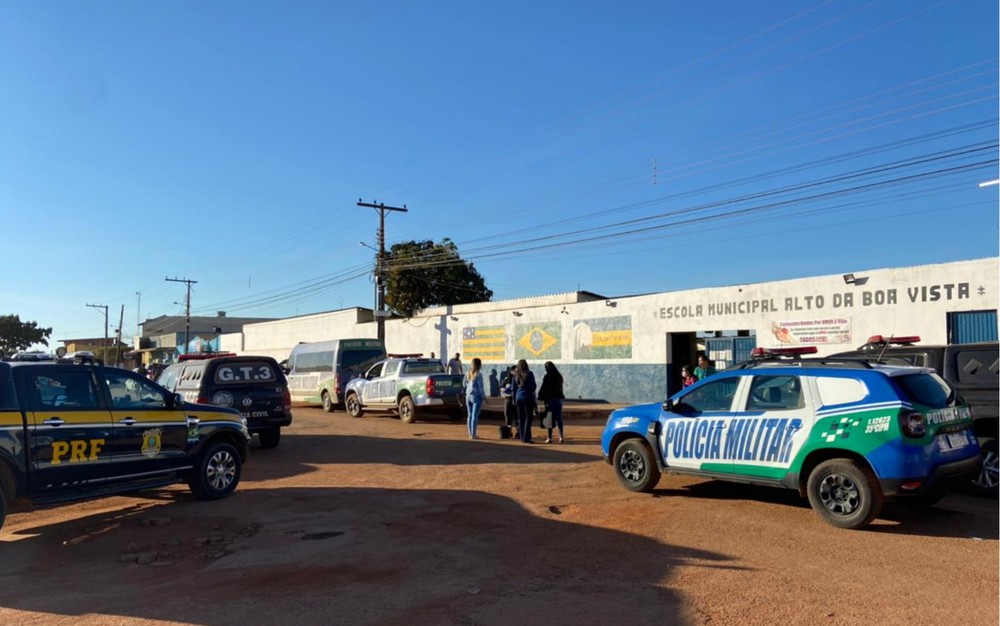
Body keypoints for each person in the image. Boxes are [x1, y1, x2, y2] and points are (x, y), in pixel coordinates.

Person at [537, 361, 565, 444]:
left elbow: (544, 387)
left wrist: (540, 396)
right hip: (559, 399)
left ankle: (549, 437)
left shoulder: (547, 377)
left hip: (550, 400)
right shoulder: (559, 376)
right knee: (559, 418)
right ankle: (561, 436)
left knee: (549, 418)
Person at [511, 359, 536, 444]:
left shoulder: (515, 375)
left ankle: (522, 437)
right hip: (528, 397)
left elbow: (513, 388)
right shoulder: (529, 374)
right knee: (528, 418)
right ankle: (526, 437)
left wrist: (514, 399)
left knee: (520, 418)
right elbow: (533, 386)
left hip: (518, 397)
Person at [464, 357, 485, 440]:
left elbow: (464, 384)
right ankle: (473, 434)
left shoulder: (467, 373)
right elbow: (481, 388)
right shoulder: (479, 375)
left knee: (469, 415)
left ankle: (470, 433)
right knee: (474, 416)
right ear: (479, 365)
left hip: (468, 395)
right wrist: (484, 397)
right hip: (476, 396)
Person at [501, 366, 517, 435]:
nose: (514, 372)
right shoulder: (506, 379)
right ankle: (508, 431)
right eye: (513, 371)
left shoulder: (519, 379)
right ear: (510, 371)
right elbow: (501, 387)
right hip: (508, 399)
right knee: (507, 415)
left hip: (516, 400)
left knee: (517, 416)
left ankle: (519, 431)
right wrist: (504, 390)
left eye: (516, 371)